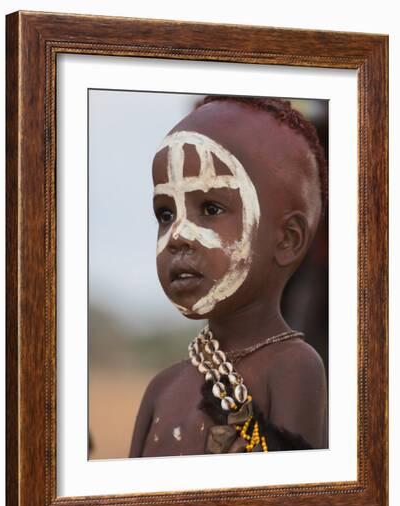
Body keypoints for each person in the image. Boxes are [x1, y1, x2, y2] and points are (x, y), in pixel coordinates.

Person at [129, 95, 328, 457]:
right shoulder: (161, 389)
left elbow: (288, 504)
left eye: (210, 208)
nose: (178, 236)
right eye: (165, 214)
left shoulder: (294, 367)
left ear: (287, 239)